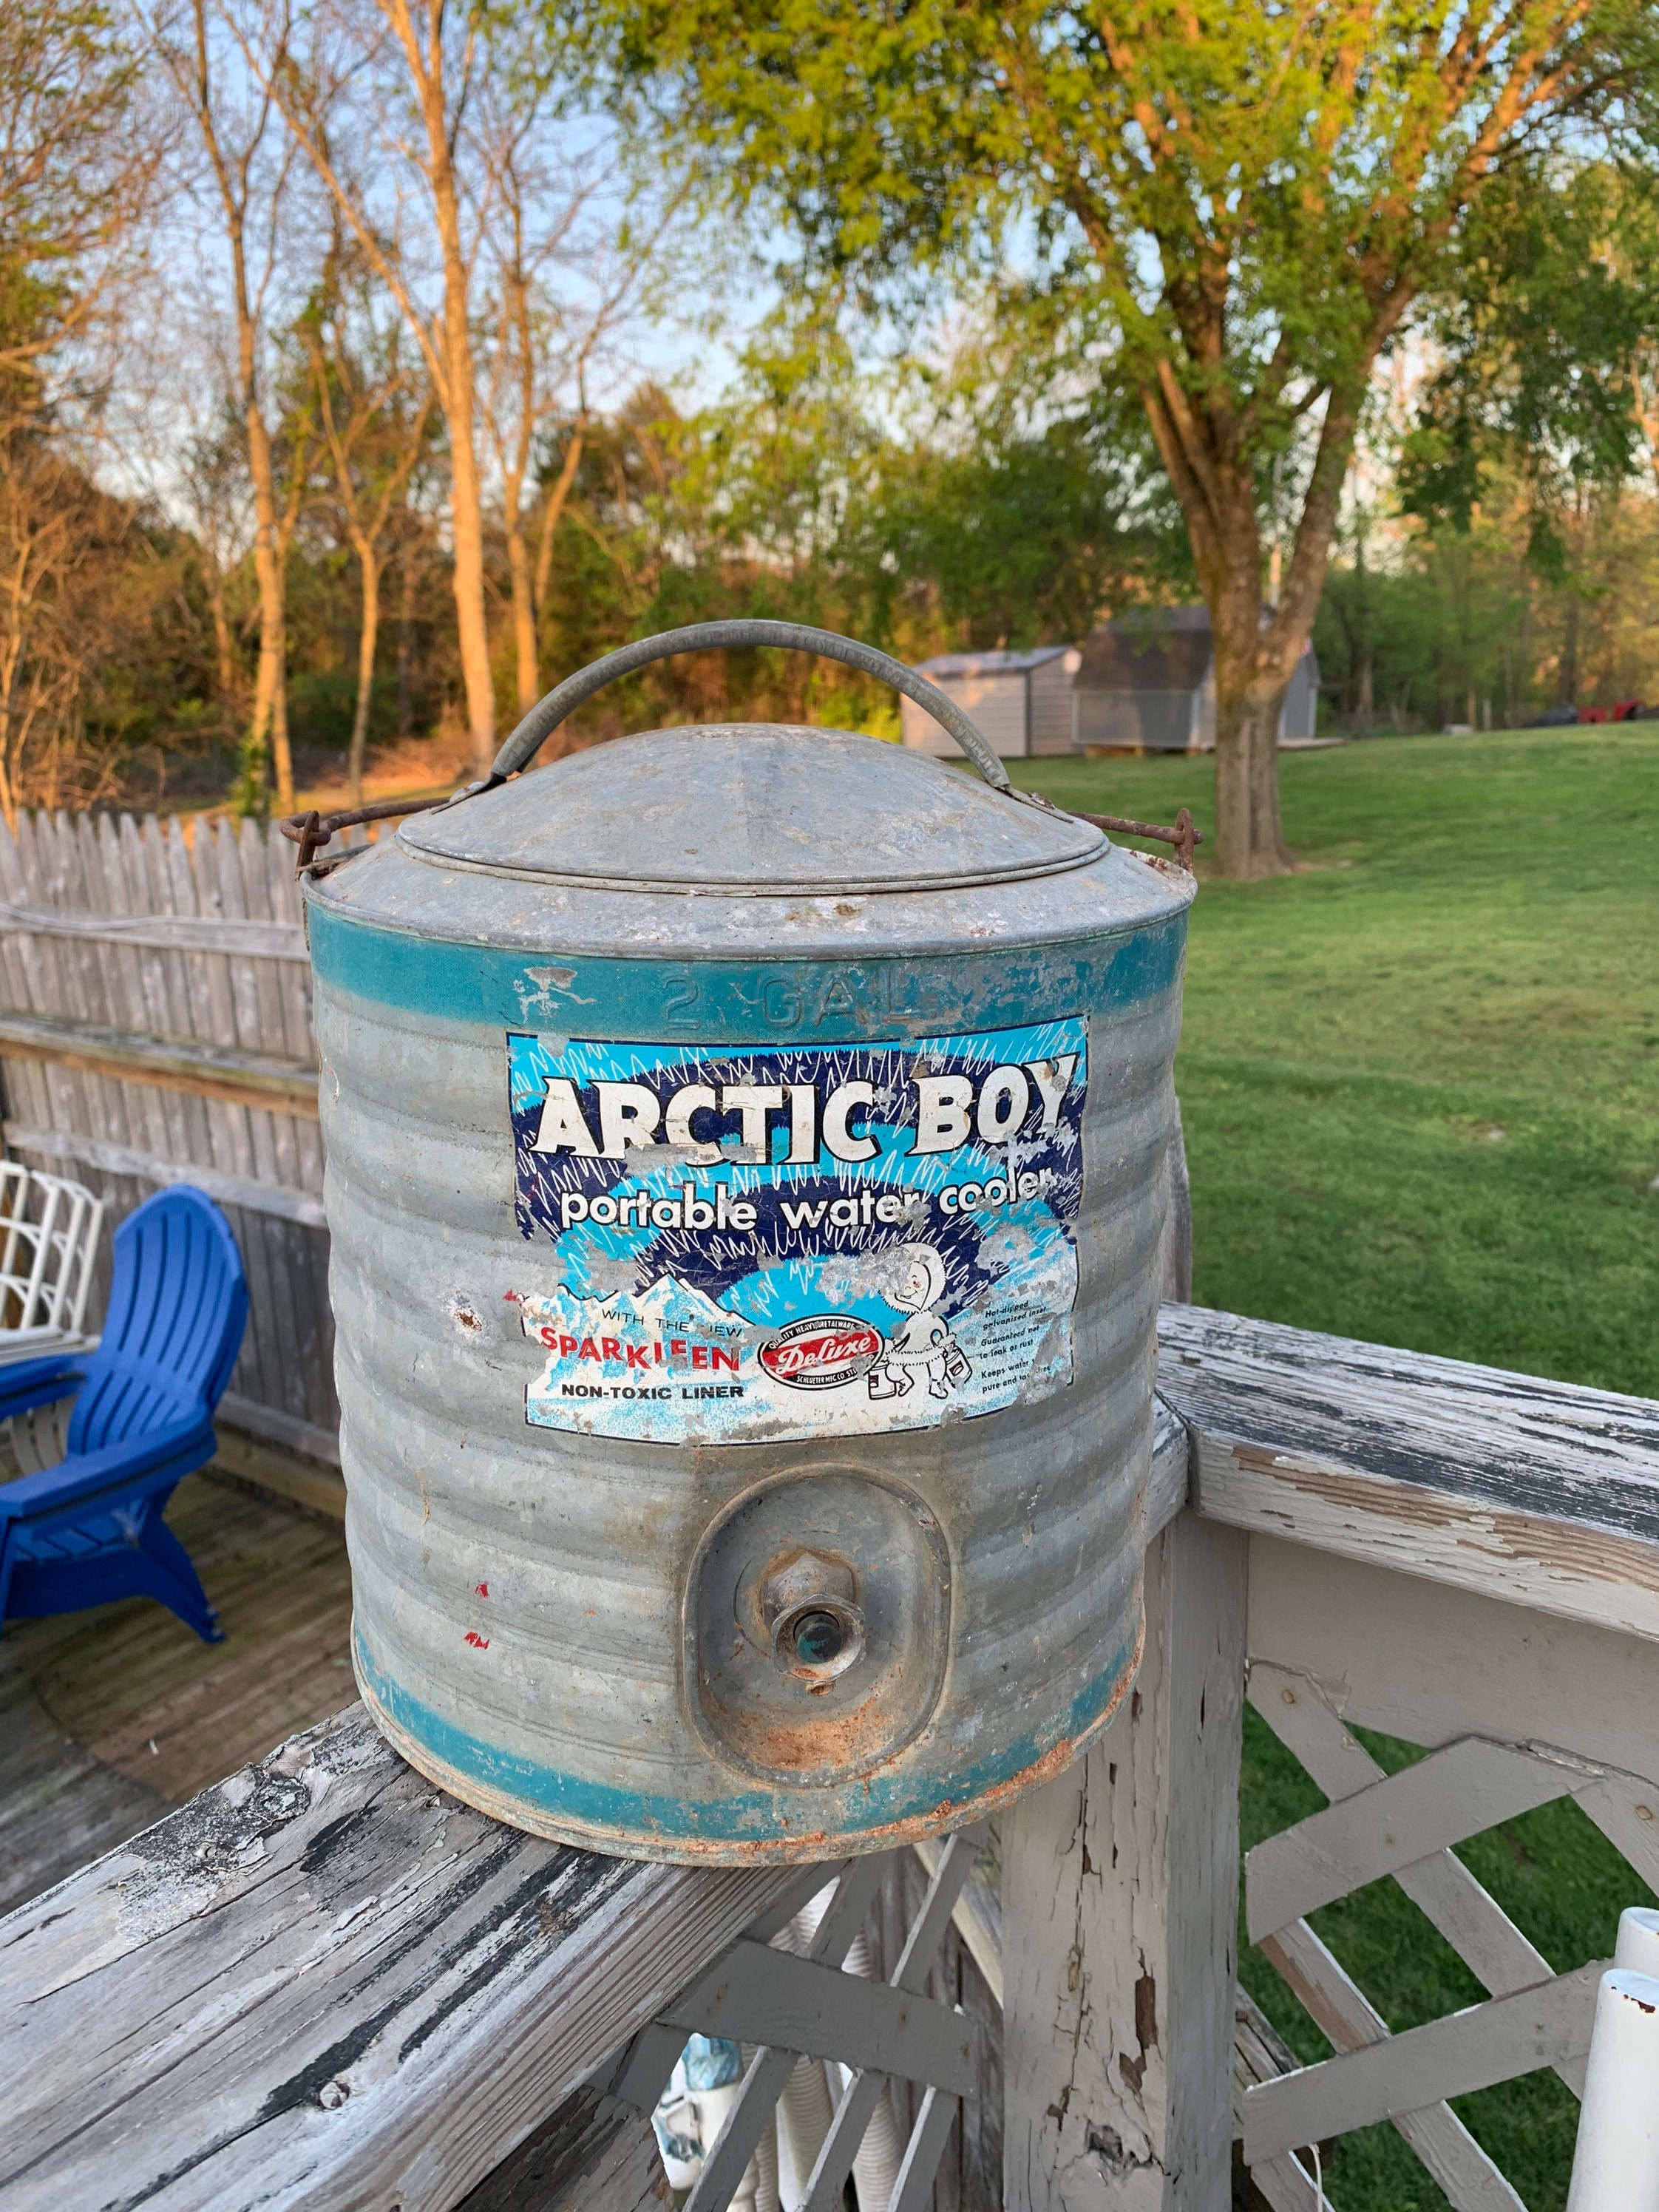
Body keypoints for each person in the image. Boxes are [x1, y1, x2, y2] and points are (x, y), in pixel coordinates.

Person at [867, 1243, 969, 1402]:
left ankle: (936, 1383)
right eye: (900, 1283)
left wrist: (944, 1344)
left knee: (938, 1362)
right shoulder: (908, 1323)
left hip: (929, 1352)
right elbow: (901, 1339)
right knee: (891, 1370)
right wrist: (890, 1346)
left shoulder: (934, 1319)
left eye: (915, 1283)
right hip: (908, 1354)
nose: (906, 1290)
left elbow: (942, 1335)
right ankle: (904, 1381)